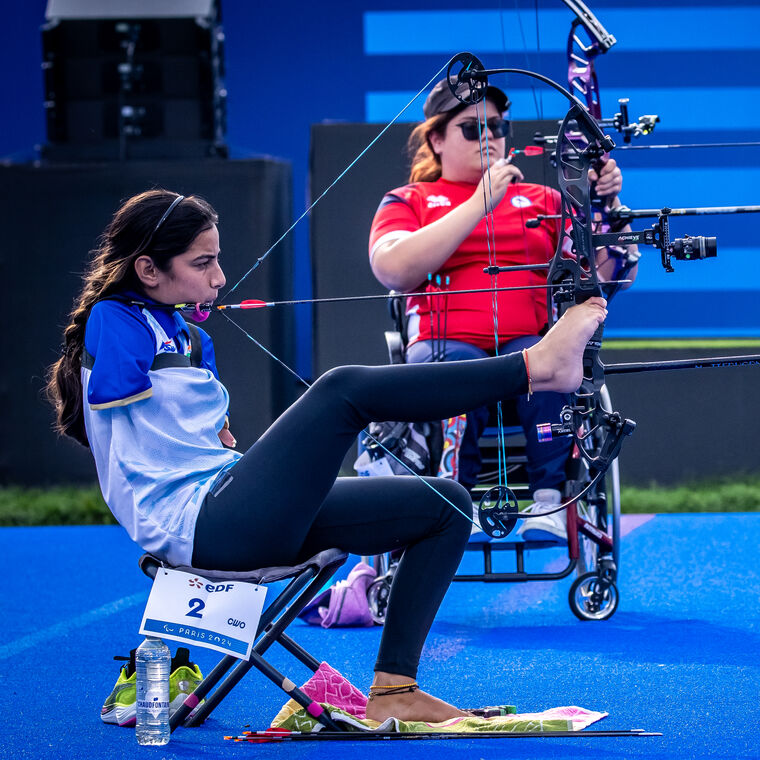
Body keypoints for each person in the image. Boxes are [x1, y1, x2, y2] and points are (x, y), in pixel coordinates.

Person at [46, 189, 608, 724]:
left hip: (238, 508)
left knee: (446, 504)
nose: (219, 279)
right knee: (341, 391)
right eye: (202, 264)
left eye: (218, 261)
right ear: (148, 270)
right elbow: (120, 388)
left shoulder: (190, 336)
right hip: (201, 525)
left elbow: (205, 432)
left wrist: (186, 333)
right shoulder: (114, 320)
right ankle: (537, 368)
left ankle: (395, 690)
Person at [368, 79, 637, 542]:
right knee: (457, 369)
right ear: (436, 139)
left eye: (497, 126)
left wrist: (609, 207)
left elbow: (608, 274)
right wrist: (480, 203)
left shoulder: (544, 200)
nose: (490, 137)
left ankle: (551, 503)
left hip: (527, 347)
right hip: (446, 349)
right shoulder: (409, 200)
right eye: (472, 129)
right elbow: (391, 267)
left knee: (555, 360)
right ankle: (454, 501)